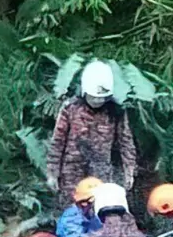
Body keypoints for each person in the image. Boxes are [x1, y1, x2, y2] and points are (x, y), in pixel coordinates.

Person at [47, 61, 138, 199]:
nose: (97, 101)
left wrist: (129, 169)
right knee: (73, 211)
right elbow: (58, 142)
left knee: (100, 209)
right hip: (72, 173)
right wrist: (52, 173)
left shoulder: (116, 111)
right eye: (93, 97)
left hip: (101, 172)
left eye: (101, 98)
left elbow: (126, 141)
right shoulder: (70, 108)